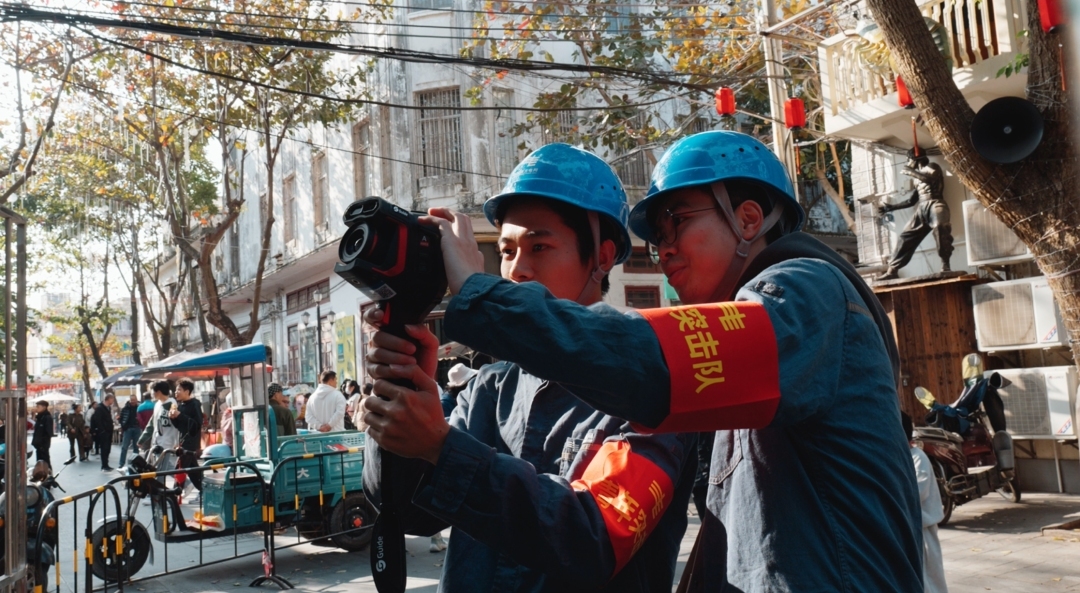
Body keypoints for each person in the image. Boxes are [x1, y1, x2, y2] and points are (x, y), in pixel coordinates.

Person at [391, 131, 923, 592]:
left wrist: (480, 295)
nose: (663, 249)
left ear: (748, 218)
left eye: (678, 222)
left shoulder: (806, 292)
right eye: (658, 235)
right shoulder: (494, 387)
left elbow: (657, 366)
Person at [363, 143, 696, 592]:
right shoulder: (489, 389)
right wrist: (402, 395)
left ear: (601, 257)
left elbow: (592, 539)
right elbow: (411, 514)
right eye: (506, 251)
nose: (517, 270)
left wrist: (442, 447)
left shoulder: (649, 392)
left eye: (539, 246)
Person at [878, 150, 953, 279]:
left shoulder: (932, 167)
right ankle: (892, 270)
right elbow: (911, 201)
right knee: (905, 236)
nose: (907, 162)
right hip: (921, 208)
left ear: (914, 159)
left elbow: (928, 180)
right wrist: (891, 207)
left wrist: (910, 171)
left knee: (940, 228)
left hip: (935, 204)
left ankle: (945, 265)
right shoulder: (917, 178)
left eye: (908, 160)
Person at [903, 414, 948, 593]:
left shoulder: (918, 457)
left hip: (923, 529)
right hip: (908, 528)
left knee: (929, 578)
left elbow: (917, 491)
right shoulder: (902, 457)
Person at [170, 378, 204, 495]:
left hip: (190, 442)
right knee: (194, 472)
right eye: (176, 390)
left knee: (179, 469)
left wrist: (180, 416)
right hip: (183, 442)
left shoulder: (195, 404)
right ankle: (204, 490)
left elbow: (196, 425)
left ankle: (174, 495)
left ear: (187, 391)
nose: (176, 392)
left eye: (179, 390)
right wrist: (173, 418)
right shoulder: (180, 405)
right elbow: (179, 426)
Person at [90, 394, 116, 471]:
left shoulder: (108, 408)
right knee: (104, 448)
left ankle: (106, 464)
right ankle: (104, 465)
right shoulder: (100, 408)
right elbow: (98, 420)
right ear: (108, 399)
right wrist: (102, 430)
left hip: (109, 431)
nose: (113, 401)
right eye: (112, 399)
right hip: (104, 432)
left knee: (108, 449)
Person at [117, 394, 141, 468]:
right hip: (128, 429)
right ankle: (121, 463)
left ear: (136, 400)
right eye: (131, 400)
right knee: (124, 447)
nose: (133, 401)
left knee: (136, 448)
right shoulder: (125, 408)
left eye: (134, 400)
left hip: (137, 428)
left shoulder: (139, 408)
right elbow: (121, 418)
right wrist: (123, 426)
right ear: (129, 400)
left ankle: (135, 464)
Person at [31, 400, 53, 469]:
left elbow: (48, 432)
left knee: (45, 461)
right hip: (38, 444)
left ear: (44, 407)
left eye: (38, 407)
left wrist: (43, 443)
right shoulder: (39, 417)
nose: (36, 408)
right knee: (40, 462)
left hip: (43, 445)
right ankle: (42, 473)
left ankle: (48, 473)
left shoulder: (47, 417)